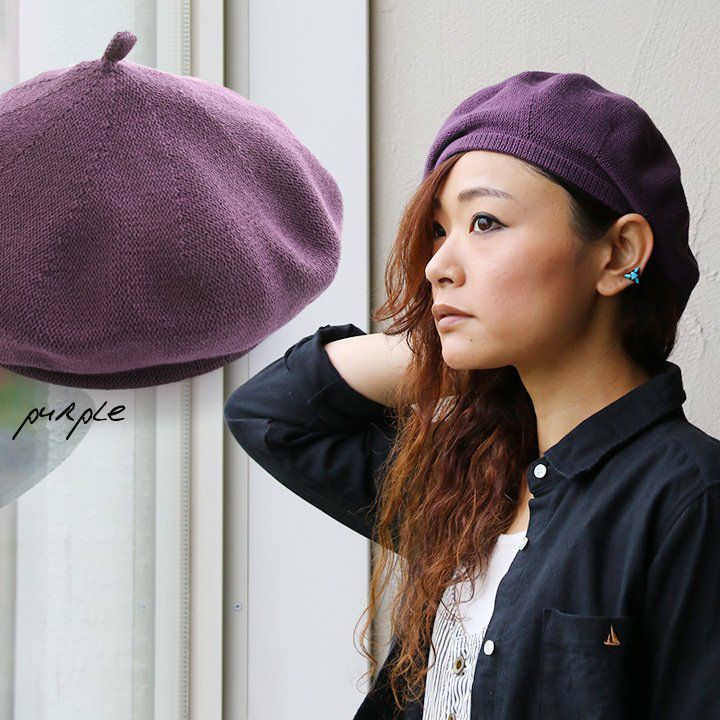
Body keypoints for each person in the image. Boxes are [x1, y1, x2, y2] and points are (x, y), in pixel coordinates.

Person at [223, 71, 720, 720]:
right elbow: (272, 414)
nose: (437, 265)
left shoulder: (690, 502)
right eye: (439, 230)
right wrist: (444, 357)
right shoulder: (468, 482)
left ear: (617, 253)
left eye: (485, 222)